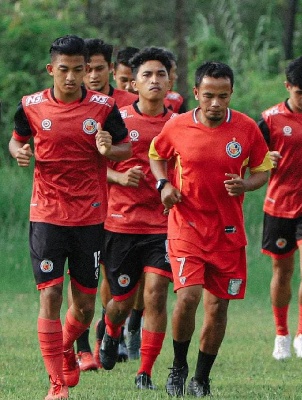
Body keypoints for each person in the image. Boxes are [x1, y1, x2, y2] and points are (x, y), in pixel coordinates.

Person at [8, 34, 131, 400]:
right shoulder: (30, 106)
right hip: (46, 213)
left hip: (90, 216)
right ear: (51, 70)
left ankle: (65, 346)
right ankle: (56, 383)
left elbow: (126, 147)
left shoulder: (103, 107)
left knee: (84, 305)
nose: (73, 77)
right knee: (51, 296)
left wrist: (112, 148)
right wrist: (19, 151)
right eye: (65, 70)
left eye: (80, 70)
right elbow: (16, 139)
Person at [148, 61, 272, 397]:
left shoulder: (247, 128)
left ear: (231, 93)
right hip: (186, 226)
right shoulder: (177, 126)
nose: (215, 103)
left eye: (222, 96)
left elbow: (263, 170)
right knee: (188, 297)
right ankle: (178, 367)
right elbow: (156, 154)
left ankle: (201, 377)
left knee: (218, 307)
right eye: (208, 96)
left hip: (228, 233)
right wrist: (163, 185)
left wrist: (246, 185)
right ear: (196, 94)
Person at [97, 47, 175, 391]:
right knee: (121, 301)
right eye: (147, 75)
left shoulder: (180, 123)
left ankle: (144, 371)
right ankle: (111, 331)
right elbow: (97, 166)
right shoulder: (118, 120)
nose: (154, 80)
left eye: (161, 74)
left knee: (156, 294)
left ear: (170, 81)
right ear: (134, 83)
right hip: (122, 223)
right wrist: (119, 177)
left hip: (164, 224)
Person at [258, 56, 302, 361]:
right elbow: (250, 158)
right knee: (282, 271)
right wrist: (265, 160)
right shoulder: (270, 119)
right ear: (287, 87)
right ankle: (281, 335)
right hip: (278, 205)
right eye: (299, 91)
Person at [78, 37, 139, 369]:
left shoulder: (128, 104)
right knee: (87, 279)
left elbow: (135, 151)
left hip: (122, 210)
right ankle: (85, 346)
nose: (92, 75)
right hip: (82, 207)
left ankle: (107, 335)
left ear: (112, 70)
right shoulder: (72, 104)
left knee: (115, 280)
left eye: (99, 68)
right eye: (86, 69)